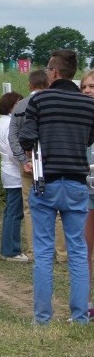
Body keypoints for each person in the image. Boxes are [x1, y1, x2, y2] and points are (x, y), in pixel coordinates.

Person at [19, 49, 94, 325]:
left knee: (43, 248)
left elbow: (27, 138)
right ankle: (80, 315)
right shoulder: (88, 104)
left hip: (46, 182)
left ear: (53, 72)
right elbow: (89, 140)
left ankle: (42, 317)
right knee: (77, 249)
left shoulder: (40, 100)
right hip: (76, 183)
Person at [8, 69, 61, 261]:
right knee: (58, 210)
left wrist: (23, 159)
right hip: (54, 161)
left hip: (29, 162)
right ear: (48, 84)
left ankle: (34, 252)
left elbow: (12, 136)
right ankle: (62, 253)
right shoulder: (54, 103)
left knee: (29, 209)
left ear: (30, 85)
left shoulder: (20, 105)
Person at [0, 91, 26, 261]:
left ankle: (8, 248)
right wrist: (24, 165)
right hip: (14, 172)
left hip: (9, 170)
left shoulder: (3, 122)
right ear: (10, 106)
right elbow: (12, 150)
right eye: (18, 104)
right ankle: (11, 250)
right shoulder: (9, 124)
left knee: (11, 212)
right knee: (15, 213)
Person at [80, 69, 94, 319]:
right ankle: (87, 301)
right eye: (85, 87)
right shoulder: (79, 116)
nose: (88, 90)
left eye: (92, 86)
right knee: (85, 248)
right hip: (86, 189)